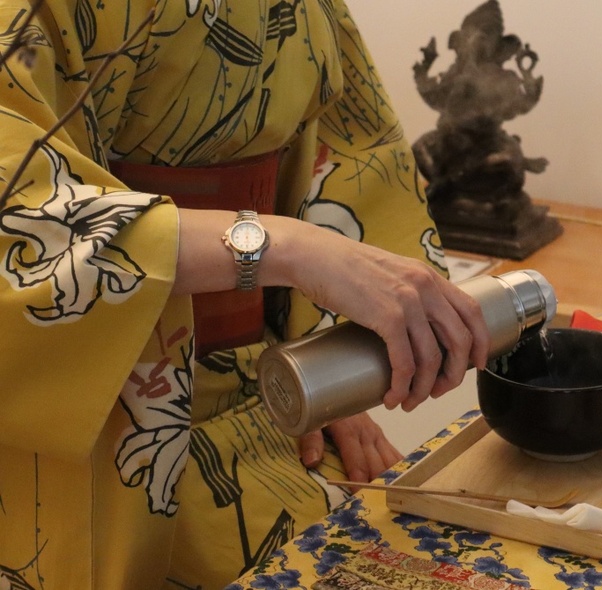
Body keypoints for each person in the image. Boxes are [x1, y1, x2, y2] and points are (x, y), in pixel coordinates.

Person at [0, 1, 490, 588]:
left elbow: (349, 156)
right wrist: (285, 248)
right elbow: (21, 224)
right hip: (108, 415)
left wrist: (330, 359)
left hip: (272, 391)